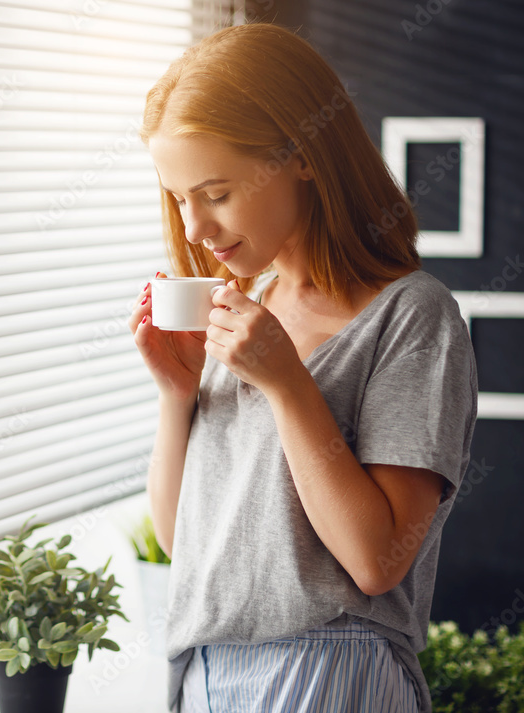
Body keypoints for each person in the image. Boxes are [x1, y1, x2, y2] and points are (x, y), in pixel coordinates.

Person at [128, 22, 477, 713]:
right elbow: (182, 542)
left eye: (216, 191)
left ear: (302, 155)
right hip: (206, 672)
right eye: (180, 199)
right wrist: (179, 394)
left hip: (330, 671)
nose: (194, 228)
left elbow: (376, 559)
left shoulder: (412, 316)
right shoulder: (244, 313)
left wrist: (287, 384)